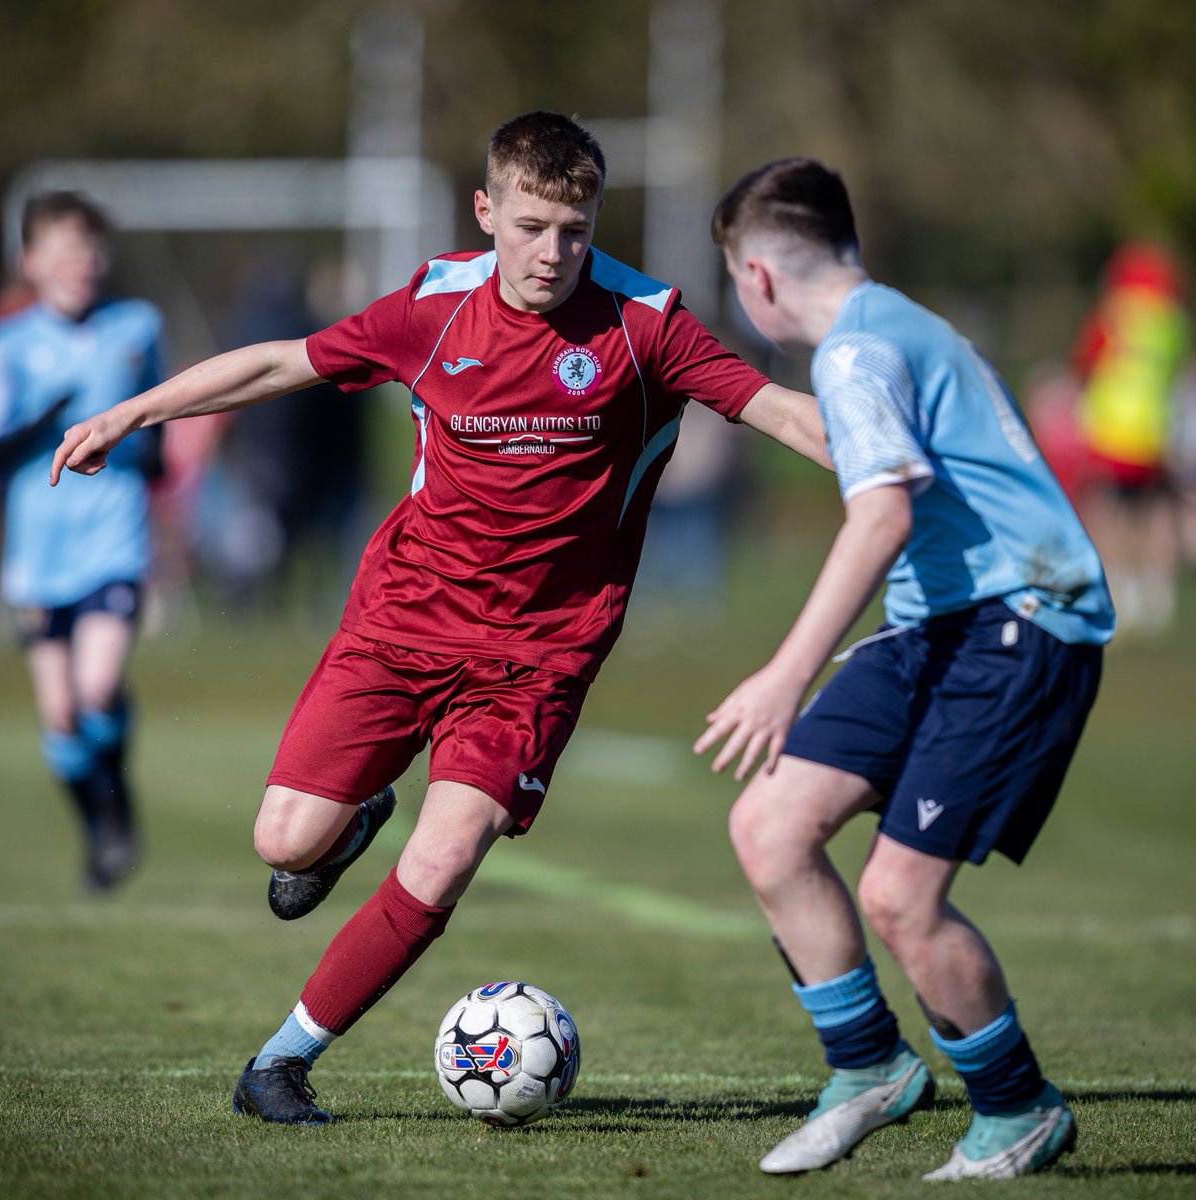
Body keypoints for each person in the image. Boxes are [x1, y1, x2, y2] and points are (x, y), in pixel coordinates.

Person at [51, 112, 829, 1124]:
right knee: (285, 842)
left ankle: (279, 1067)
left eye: (575, 230)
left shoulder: (648, 323)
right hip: (402, 619)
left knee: (448, 851)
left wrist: (904, 463)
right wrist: (128, 413)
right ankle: (348, 824)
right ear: (488, 212)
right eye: (532, 226)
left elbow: (776, 411)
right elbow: (280, 363)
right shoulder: (433, 305)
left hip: (538, 657)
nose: (553, 253)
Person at [696, 158, 1114, 1181]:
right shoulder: (903, 326)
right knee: (769, 824)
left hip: (1023, 625)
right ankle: (870, 1068)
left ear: (755, 279)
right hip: (935, 626)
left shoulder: (856, 355)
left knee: (899, 898)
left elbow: (880, 514)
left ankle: (1018, 1110)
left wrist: (786, 671)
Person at [0, 191, 165, 890]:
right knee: (61, 716)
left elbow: (160, 415)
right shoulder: (11, 344)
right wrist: (49, 416)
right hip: (40, 552)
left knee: (96, 689)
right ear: (31, 261)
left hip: (114, 538)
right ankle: (98, 827)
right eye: (64, 250)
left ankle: (118, 807)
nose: (82, 264)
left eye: (91, 249)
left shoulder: (138, 325)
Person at [1070, 241, 1189, 636]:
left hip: (1114, 433)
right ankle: (1157, 591)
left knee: (1111, 515)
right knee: (1156, 513)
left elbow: (1085, 362)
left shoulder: (1113, 315)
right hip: (1156, 433)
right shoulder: (1173, 321)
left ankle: (1120, 585)